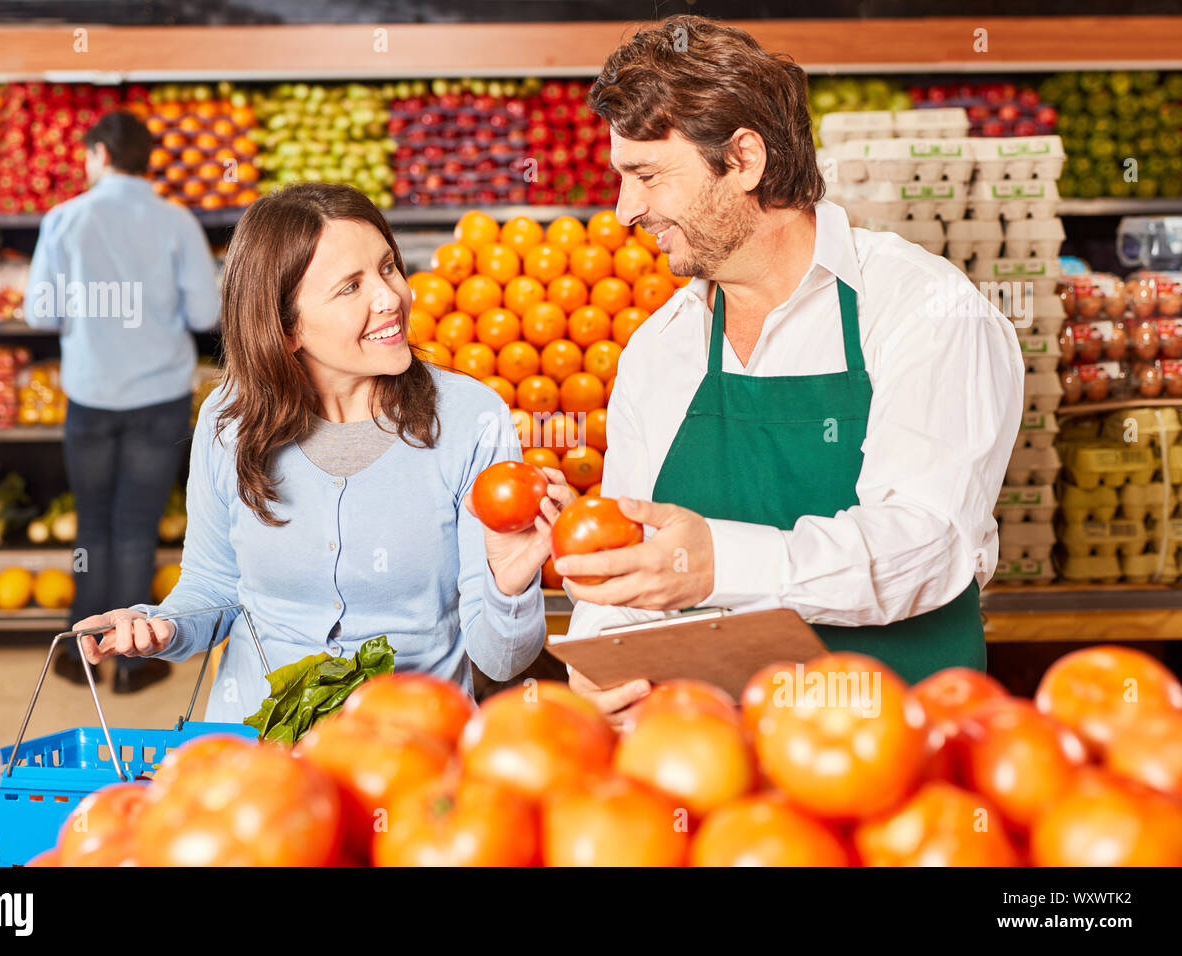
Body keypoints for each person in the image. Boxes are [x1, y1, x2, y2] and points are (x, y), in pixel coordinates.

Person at [552, 16, 1025, 724]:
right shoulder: (661, 347)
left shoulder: (920, 309)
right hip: (716, 770)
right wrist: (603, 665)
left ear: (743, 159)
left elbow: (927, 543)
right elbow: (631, 552)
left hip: (900, 764)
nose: (625, 211)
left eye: (646, 176)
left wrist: (722, 563)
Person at [72, 183, 567, 720]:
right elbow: (213, 584)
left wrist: (509, 584)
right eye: (350, 287)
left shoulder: (472, 418)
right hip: (255, 752)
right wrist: (162, 627)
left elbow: (502, 659)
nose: (390, 298)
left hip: (412, 747)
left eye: (387, 268)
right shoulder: (229, 417)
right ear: (285, 329)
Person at [25, 110, 221, 693]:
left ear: (100, 155)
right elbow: (206, 315)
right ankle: (134, 662)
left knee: (95, 526)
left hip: (89, 394)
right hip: (157, 396)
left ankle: (79, 653)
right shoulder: (176, 222)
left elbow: (40, 312)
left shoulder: (64, 219)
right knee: (138, 526)